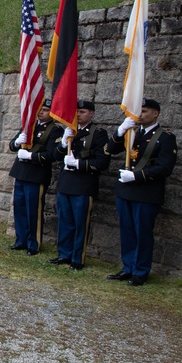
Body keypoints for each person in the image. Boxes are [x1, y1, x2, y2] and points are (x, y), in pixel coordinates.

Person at [104, 99, 178, 286]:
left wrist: (137, 176)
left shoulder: (165, 137)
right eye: (139, 111)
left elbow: (165, 167)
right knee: (127, 231)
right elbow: (111, 150)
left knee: (142, 233)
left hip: (146, 193)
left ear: (155, 114)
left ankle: (141, 271)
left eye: (144, 111)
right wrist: (120, 131)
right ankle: (127, 268)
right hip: (126, 191)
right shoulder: (132, 132)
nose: (140, 114)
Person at [48, 100, 110, 270]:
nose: (78, 115)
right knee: (64, 221)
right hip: (65, 184)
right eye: (76, 111)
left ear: (91, 114)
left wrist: (78, 164)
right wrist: (63, 143)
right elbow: (55, 155)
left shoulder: (98, 134)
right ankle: (64, 254)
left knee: (80, 223)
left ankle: (77, 258)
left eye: (82, 112)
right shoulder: (70, 131)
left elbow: (102, 162)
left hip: (83, 185)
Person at [7, 99, 62, 254]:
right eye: (40, 109)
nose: (41, 112)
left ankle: (33, 243)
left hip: (36, 175)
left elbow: (52, 155)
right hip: (21, 172)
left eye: (45, 109)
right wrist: (17, 142)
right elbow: (12, 146)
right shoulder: (29, 125)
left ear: (51, 113)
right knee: (19, 208)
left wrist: (31, 156)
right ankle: (21, 240)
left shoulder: (55, 130)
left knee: (33, 211)